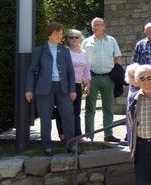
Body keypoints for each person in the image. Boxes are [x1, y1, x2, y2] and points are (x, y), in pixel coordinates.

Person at [26, 22, 77, 156]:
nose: (60, 36)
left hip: (63, 88)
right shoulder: (40, 51)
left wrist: (72, 89)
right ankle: (47, 146)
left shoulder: (65, 50)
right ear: (49, 35)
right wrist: (29, 89)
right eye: (56, 34)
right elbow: (31, 71)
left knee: (68, 115)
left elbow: (70, 72)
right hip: (44, 89)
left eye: (61, 34)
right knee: (45, 118)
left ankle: (71, 145)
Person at [83, 17, 123, 142]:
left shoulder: (111, 40)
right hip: (92, 78)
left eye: (100, 24)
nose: (97, 27)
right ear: (92, 27)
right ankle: (89, 135)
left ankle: (108, 134)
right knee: (90, 108)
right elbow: (83, 60)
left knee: (108, 108)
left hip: (108, 78)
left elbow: (117, 58)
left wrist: (117, 73)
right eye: (95, 25)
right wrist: (85, 79)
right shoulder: (86, 42)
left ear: (104, 26)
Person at [55, 28, 90, 143]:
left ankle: (78, 136)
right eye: (71, 37)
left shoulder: (84, 53)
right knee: (62, 110)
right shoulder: (64, 51)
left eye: (76, 37)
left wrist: (87, 84)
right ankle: (63, 135)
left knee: (76, 111)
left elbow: (86, 69)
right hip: (64, 85)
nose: (74, 39)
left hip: (77, 85)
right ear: (68, 39)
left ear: (80, 39)